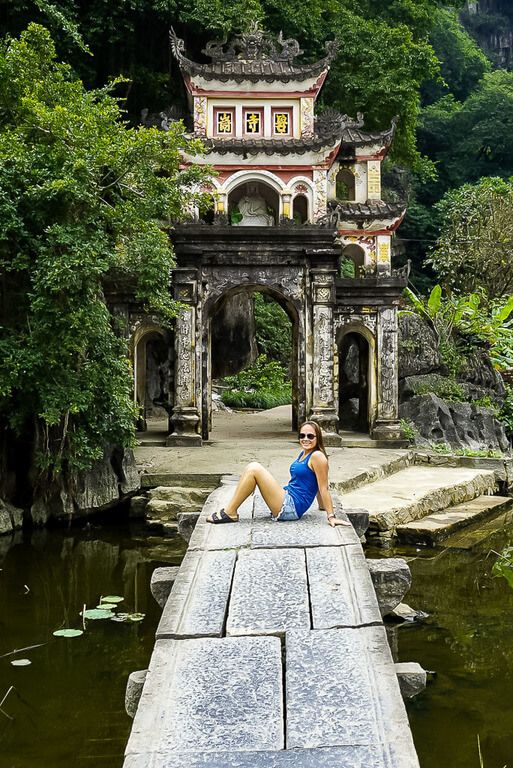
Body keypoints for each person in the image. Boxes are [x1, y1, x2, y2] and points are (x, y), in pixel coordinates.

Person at [207, 421, 351, 526]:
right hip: (287, 498)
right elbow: (316, 483)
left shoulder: (318, 456)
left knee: (254, 468)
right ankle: (230, 509)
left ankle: (230, 512)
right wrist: (321, 506)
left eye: (310, 436)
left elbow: (323, 487)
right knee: (249, 469)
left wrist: (330, 515)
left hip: (291, 507)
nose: (305, 439)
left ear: (317, 437)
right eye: (302, 435)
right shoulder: (304, 453)